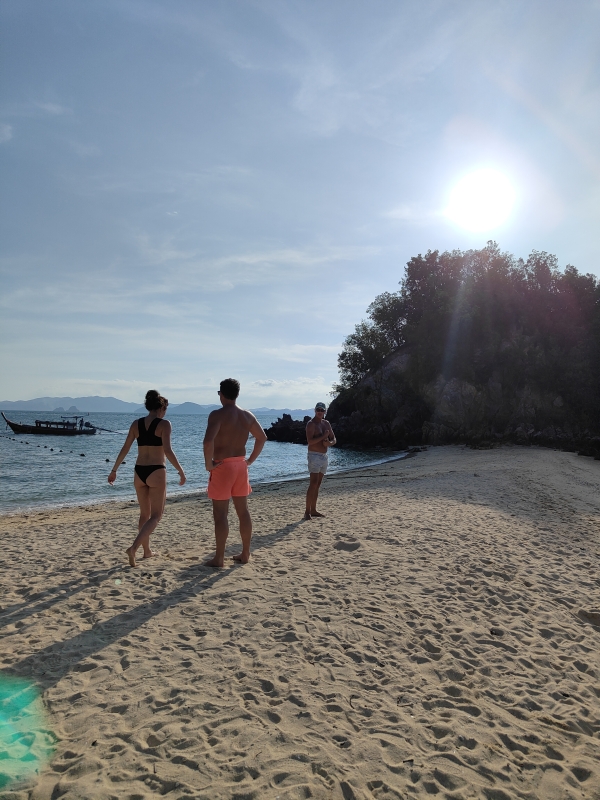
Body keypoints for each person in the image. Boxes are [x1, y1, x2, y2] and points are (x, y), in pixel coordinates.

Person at [108, 389, 186, 567]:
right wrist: (180, 470)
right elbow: (167, 450)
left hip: (139, 472)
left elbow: (125, 448)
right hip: (157, 470)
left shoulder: (136, 424)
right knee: (156, 515)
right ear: (161, 408)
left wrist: (114, 470)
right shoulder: (164, 424)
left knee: (144, 514)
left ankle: (147, 551)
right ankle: (134, 548)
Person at [203, 378, 267, 567]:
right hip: (240, 465)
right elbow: (262, 438)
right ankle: (245, 553)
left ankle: (219, 558)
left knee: (221, 514)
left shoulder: (217, 415)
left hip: (223, 466)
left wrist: (208, 464)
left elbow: (208, 442)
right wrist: (250, 461)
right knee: (243, 511)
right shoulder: (247, 416)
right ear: (237, 394)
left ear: (221, 394)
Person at [304, 401, 336, 520]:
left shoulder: (326, 423)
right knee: (313, 483)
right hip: (314, 456)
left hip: (324, 457)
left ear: (325, 411)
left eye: (322, 410)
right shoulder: (311, 424)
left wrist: (329, 443)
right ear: (315, 410)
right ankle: (307, 511)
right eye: (318, 410)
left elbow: (334, 439)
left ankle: (314, 510)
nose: (320, 412)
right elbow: (310, 441)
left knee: (318, 484)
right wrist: (323, 437)